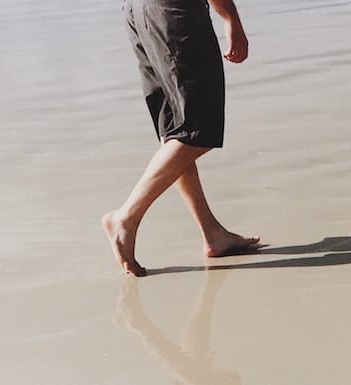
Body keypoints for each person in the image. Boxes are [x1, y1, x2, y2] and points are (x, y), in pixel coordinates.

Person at [103, 0, 259, 276]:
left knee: (175, 131)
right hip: (173, 10)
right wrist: (231, 18)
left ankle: (212, 233)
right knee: (196, 131)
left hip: (138, 11)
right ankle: (126, 217)